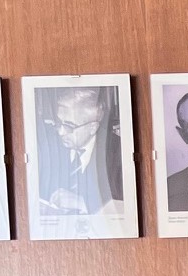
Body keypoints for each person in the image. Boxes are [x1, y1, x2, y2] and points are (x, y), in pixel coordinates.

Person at [37, 86, 123, 217]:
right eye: (59, 123)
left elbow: (128, 206)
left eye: (69, 126)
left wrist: (84, 204)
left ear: (93, 127)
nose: (61, 132)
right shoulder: (48, 146)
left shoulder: (118, 153)